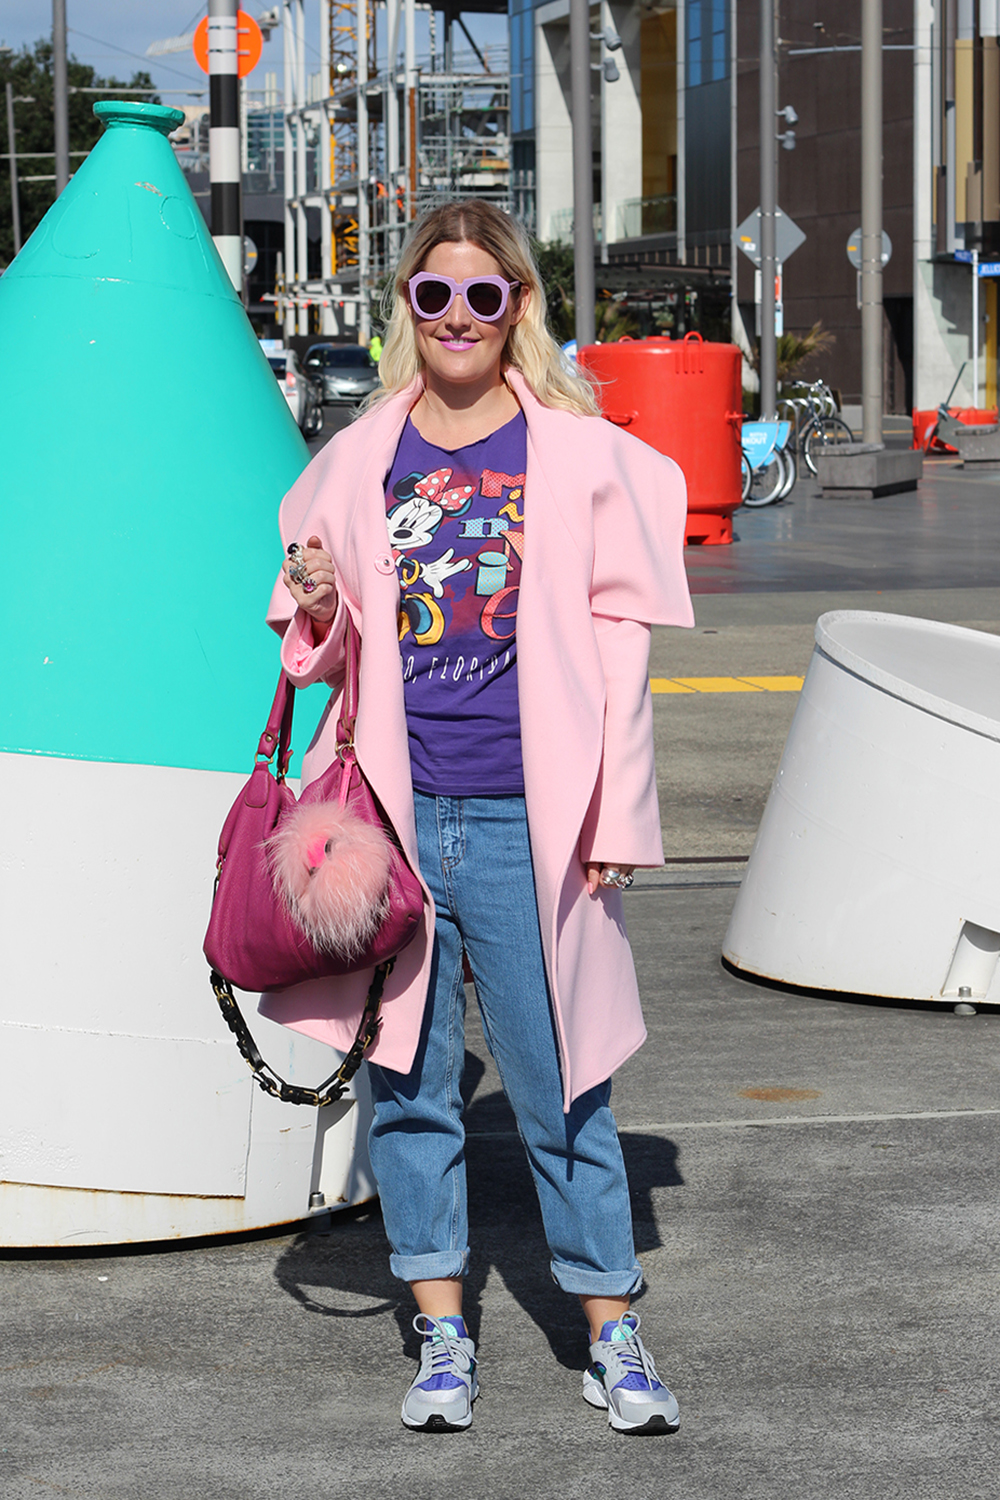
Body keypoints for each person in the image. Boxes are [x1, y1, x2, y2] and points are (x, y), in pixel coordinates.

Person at [264, 200, 694, 1434]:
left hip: (531, 822)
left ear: (518, 309)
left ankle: (612, 1331)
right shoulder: (358, 455)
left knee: (564, 1089)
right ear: (406, 307)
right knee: (405, 1086)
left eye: (483, 297)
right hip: (396, 822)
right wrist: (318, 596)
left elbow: (620, 646)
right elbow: (317, 658)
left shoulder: (575, 452)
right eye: (433, 296)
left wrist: (615, 810)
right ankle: (440, 1333)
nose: (457, 318)